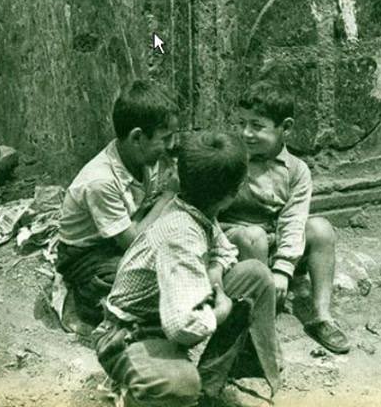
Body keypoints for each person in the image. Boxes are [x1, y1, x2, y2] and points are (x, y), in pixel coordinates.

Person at [93, 130, 281, 407]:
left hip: (163, 316)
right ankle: (137, 389)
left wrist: (215, 272)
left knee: (256, 275)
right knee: (179, 385)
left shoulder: (196, 209)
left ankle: (208, 389)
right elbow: (181, 326)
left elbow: (224, 249)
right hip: (129, 334)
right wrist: (223, 308)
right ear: (232, 194)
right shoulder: (181, 234)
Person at [220, 81, 350, 354]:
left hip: (273, 245)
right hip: (236, 246)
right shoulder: (229, 159)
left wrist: (283, 268)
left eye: (257, 126)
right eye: (242, 123)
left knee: (321, 229)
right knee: (252, 236)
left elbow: (293, 218)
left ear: (286, 128)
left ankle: (321, 316)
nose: (246, 133)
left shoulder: (297, 170)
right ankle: (257, 327)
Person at [56, 81, 178, 326]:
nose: (172, 145)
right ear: (137, 137)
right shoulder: (100, 181)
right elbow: (132, 243)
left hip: (119, 236)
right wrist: (168, 195)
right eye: (166, 138)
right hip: (85, 255)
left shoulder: (143, 157)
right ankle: (87, 294)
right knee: (143, 278)